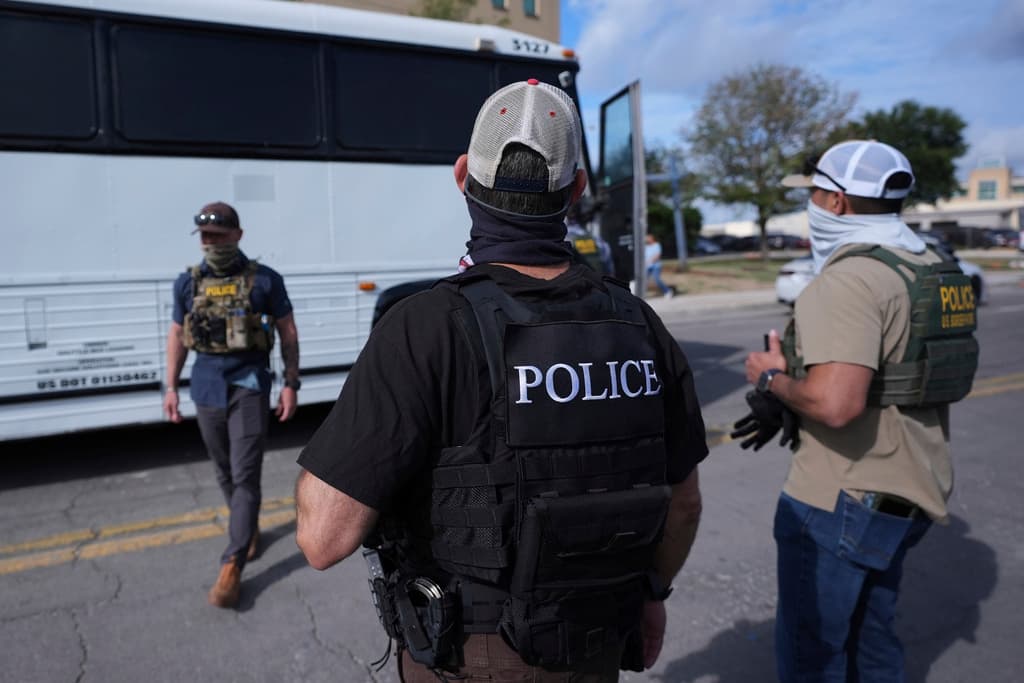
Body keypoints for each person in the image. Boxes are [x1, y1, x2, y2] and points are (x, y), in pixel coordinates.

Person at [295, 80, 707, 680]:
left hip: (478, 655)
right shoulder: (637, 321)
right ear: (577, 190)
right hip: (598, 642)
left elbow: (323, 537)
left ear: (463, 176)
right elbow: (685, 502)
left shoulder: (425, 327)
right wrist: (653, 596)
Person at [738, 140, 978, 682]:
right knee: (873, 639)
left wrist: (772, 378)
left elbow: (836, 403)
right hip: (913, 484)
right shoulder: (930, 264)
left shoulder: (847, 279)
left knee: (813, 654)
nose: (813, 204)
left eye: (816, 193)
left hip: (840, 498)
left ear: (838, 203)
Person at [164, 201, 301, 609]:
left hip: (248, 388)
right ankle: (247, 531)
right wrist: (169, 386)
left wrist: (291, 383)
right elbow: (176, 335)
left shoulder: (265, 281)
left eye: (219, 236)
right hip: (206, 388)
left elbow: (288, 333)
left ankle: (232, 563)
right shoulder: (186, 284)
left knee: (244, 476)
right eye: (206, 237)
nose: (212, 244)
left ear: (238, 236)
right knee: (224, 472)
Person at [644, 233, 674, 298]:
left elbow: (658, 255)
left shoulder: (656, 245)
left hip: (656, 266)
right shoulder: (646, 247)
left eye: (648, 238)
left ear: (652, 238)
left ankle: (668, 291)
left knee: (657, 279)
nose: (646, 239)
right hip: (647, 266)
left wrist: (650, 261)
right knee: (644, 280)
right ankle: (642, 294)